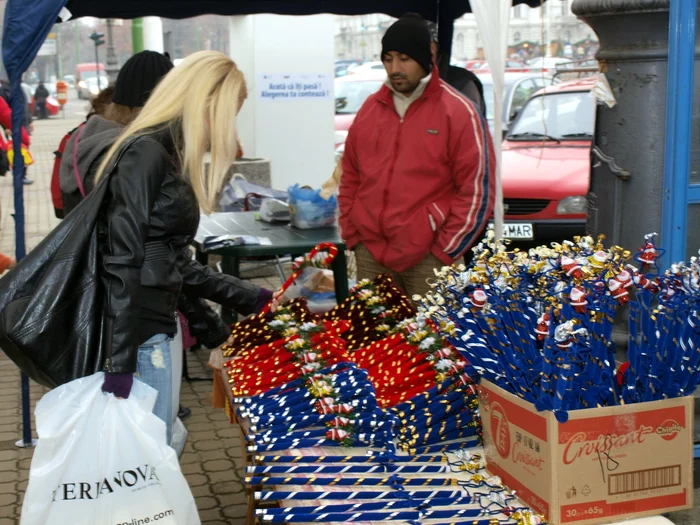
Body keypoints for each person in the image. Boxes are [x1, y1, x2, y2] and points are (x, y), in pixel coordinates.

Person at [94, 51, 275, 444]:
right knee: (153, 455)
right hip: (143, 337)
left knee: (165, 442)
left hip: (154, 329)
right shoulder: (147, 153)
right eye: (230, 113)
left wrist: (250, 297)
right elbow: (123, 260)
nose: (227, 128)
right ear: (207, 104)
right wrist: (120, 361)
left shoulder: (162, 152)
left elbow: (171, 261)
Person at [338, 14, 495, 301]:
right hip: (371, 255)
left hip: (430, 258)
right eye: (388, 59)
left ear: (426, 59)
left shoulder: (459, 112)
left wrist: (446, 249)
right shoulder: (370, 110)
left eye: (404, 58)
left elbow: (477, 189)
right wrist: (353, 234)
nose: (394, 68)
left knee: (432, 344)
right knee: (374, 342)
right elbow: (350, 175)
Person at [424, 18, 487, 117]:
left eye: (404, 58)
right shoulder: (407, 83)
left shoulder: (462, 83)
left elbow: (471, 126)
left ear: (432, 49)